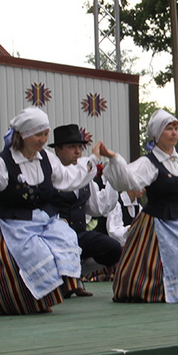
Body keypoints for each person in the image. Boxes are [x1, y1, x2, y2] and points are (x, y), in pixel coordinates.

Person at [0, 107, 99, 314]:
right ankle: (16, 301)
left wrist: (92, 161)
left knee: (65, 237)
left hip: (41, 221)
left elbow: (68, 178)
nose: (43, 139)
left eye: (46, 134)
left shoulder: (47, 159)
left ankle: (43, 297)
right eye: (38, 135)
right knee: (31, 253)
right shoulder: (1, 164)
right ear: (24, 136)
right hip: (9, 224)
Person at [98, 109, 178, 303]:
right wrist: (113, 158)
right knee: (168, 255)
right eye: (169, 128)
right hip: (160, 220)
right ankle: (166, 290)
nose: (174, 132)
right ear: (157, 134)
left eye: (176, 128)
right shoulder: (148, 162)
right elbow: (127, 180)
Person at [49, 124, 121, 296]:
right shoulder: (50, 173)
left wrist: (113, 178)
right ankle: (60, 281)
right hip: (53, 239)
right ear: (58, 150)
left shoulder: (84, 173)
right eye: (71, 147)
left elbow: (97, 208)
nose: (78, 152)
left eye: (80, 147)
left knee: (112, 248)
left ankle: (77, 275)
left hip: (78, 234)